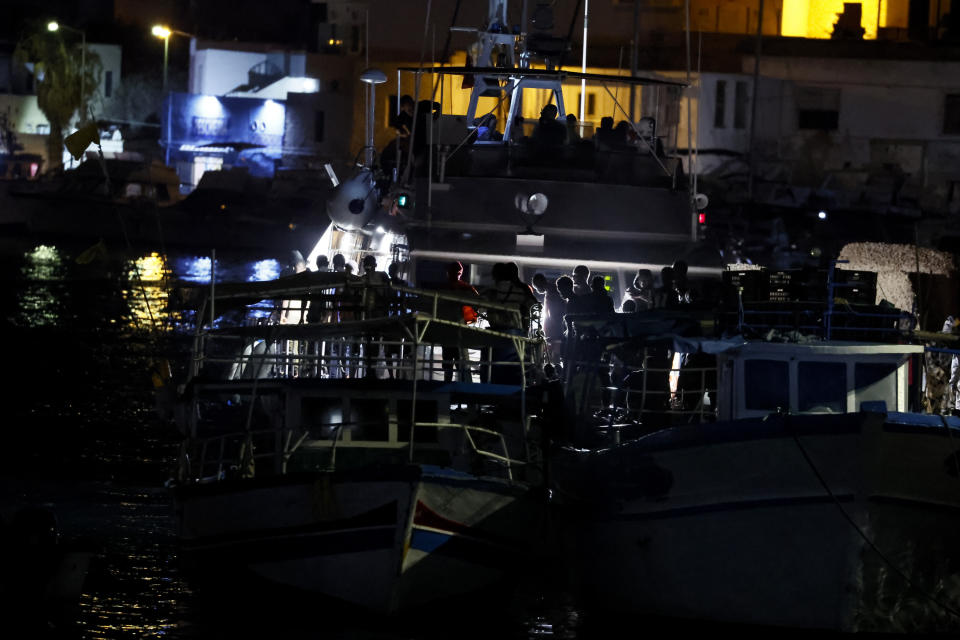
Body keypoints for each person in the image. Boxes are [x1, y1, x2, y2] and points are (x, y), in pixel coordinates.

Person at [438, 261, 479, 382]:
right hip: (461, 333)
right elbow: (476, 308)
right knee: (464, 367)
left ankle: (447, 389)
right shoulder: (467, 289)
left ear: (448, 273)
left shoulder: (442, 289)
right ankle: (469, 396)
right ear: (460, 273)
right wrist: (468, 320)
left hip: (446, 333)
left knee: (448, 367)